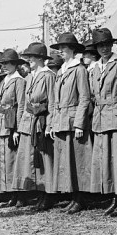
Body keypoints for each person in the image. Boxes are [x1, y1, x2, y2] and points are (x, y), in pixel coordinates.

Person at [88, 29, 117, 216]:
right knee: (106, 162)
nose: (104, 48)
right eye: (100, 45)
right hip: (101, 119)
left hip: (116, 118)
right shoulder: (96, 68)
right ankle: (115, 199)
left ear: (112, 45)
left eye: (107, 44)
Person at [48, 32, 92, 214]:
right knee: (66, 161)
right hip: (61, 121)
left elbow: (85, 98)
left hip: (73, 120)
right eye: (59, 49)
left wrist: (80, 123)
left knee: (77, 161)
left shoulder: (79, 70)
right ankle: (73, 197)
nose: (61, 52)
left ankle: (80, 198)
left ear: (73, 50)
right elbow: (54, 100)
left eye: (63, 49)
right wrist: (51, 123)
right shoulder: (62, 70)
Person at [15, 42, 55, 210]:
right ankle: (38, 193)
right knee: (30, 159)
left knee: (43, 159)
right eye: (28, 58)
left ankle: (48, 195)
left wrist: (50, 125)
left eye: (31, 57)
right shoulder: (30, 77)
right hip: (28, 121)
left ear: (40, 58)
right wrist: (21, 125)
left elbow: (53, 102)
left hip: (41, 121)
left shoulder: (48, 76)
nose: (28, 60)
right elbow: (24, 103)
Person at [0, 49, 27, 206]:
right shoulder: (4, 81)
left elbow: (22, 105)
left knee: (15, 160)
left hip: (13, 123)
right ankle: (11, 194)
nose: (5, 66)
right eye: (3, 64)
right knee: (6, 161)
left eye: (8, 63)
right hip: (3, 122)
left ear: (15, 64)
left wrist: (17, 129)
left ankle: (20, 195)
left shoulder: (19, 81)